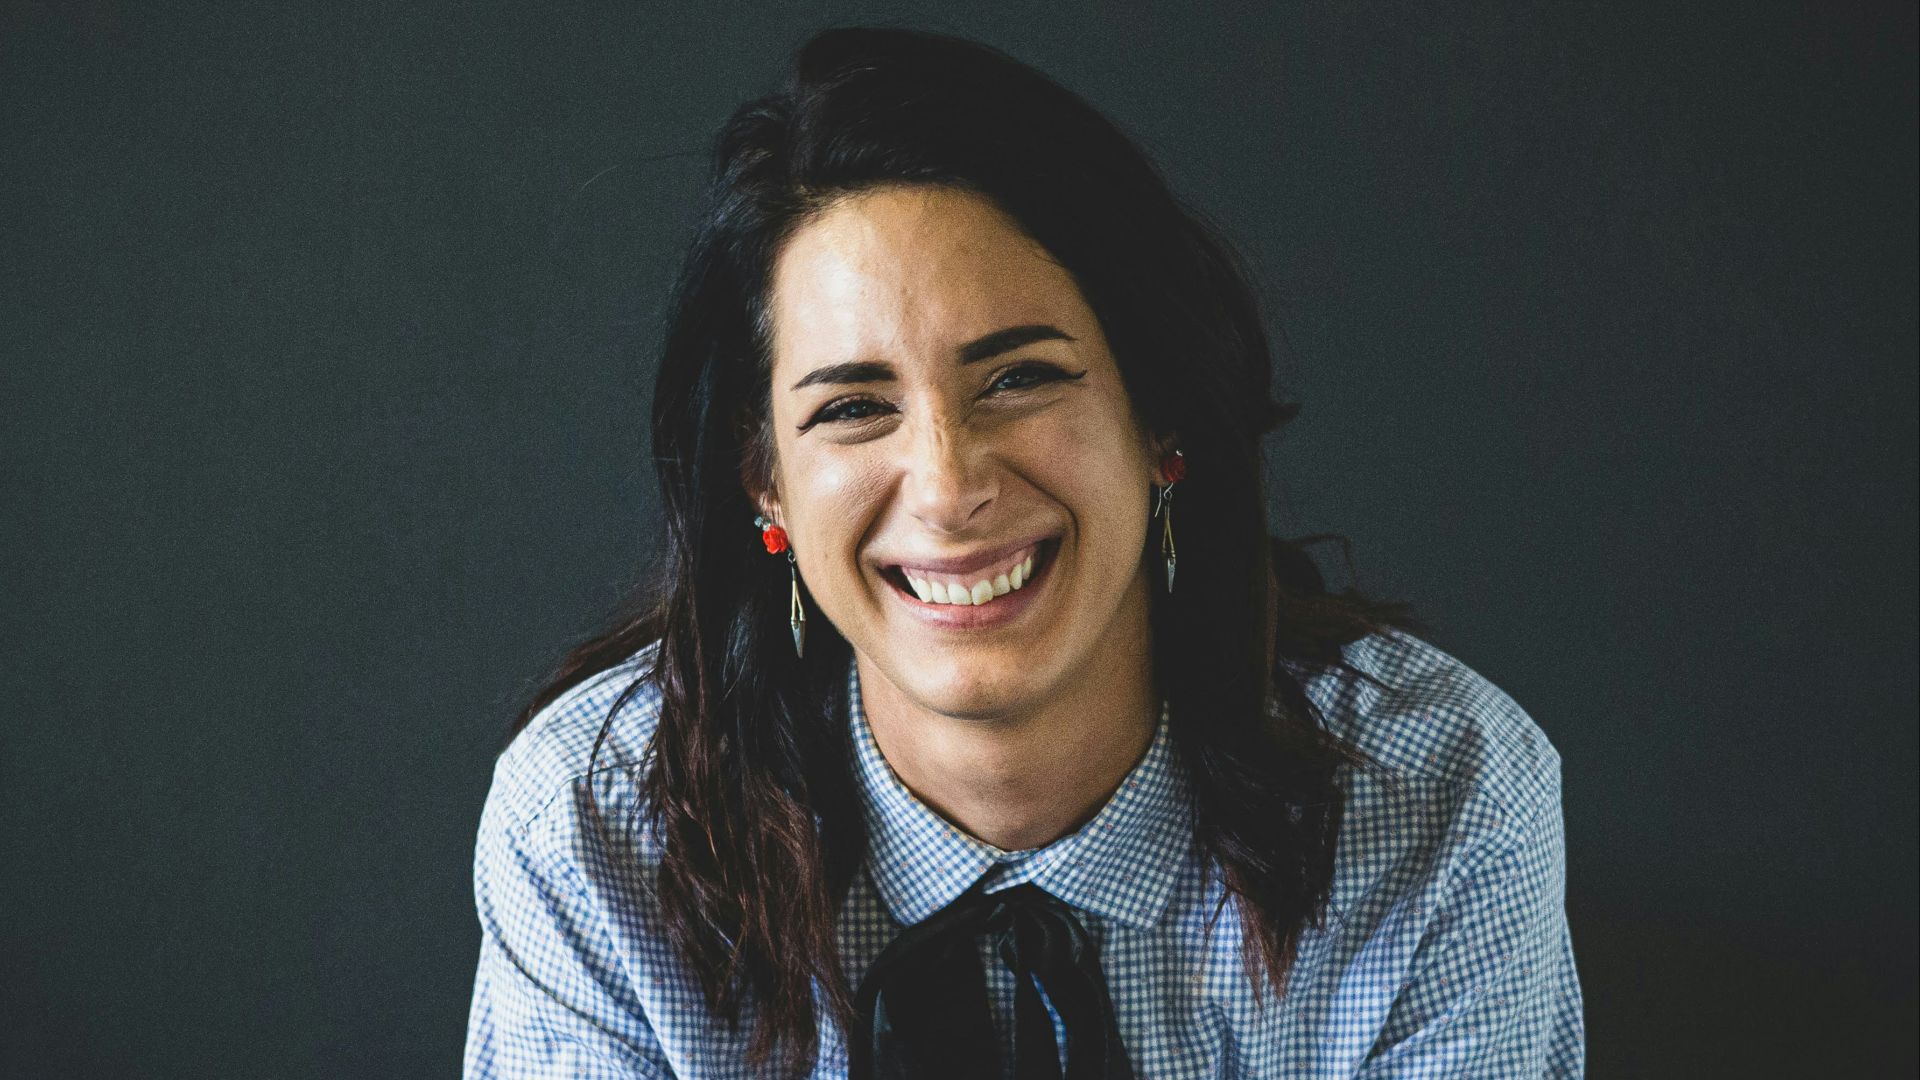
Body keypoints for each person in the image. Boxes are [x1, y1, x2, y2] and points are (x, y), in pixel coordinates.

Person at [463, 26, 1583, 1080]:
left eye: (1019, 377)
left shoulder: (1439, 796)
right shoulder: (592, 831)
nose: (949, 488)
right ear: (768, 485)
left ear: (1162, 415)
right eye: (854, 407)